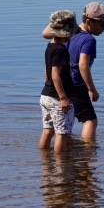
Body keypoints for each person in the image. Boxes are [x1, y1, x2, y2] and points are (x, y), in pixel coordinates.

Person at [42, 2, 104, 143]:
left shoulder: (65, 33)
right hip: (77, 85)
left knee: (55, 125)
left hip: (61, 85)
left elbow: (45, 34)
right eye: (102, 25)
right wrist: (92, 90)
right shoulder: (89, 40)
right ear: (89, 22)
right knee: (90, 120)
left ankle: (57, 152)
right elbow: (83, 66)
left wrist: (62, 18)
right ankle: (88, 152)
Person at [39, 10, 78, 153]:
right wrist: (63, 98)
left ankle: (44, 162)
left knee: (47, 131)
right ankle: (62, 166)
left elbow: (47, 72)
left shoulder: (50, 46)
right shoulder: (61, 50)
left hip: (45, 95)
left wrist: (49, 83)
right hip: (57, 98)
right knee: (61, 133)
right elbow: (56, 76)